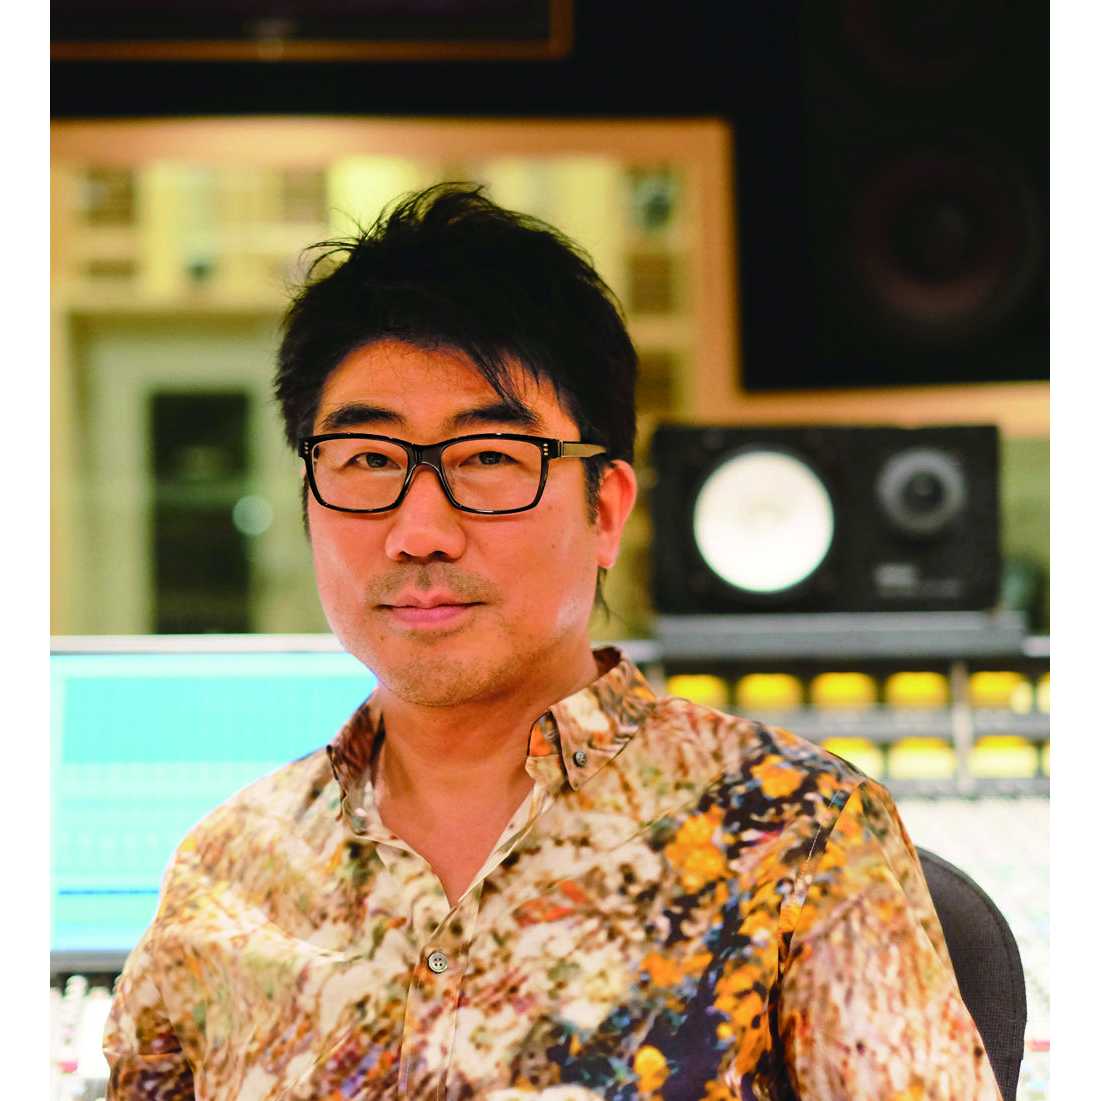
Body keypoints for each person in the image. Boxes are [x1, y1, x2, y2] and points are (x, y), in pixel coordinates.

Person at [104, 184, 1002, 1100]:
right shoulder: (227, 869)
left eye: (490, 457)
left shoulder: (794, 833)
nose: (420, 531)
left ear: (604, 510)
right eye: (368, 459)